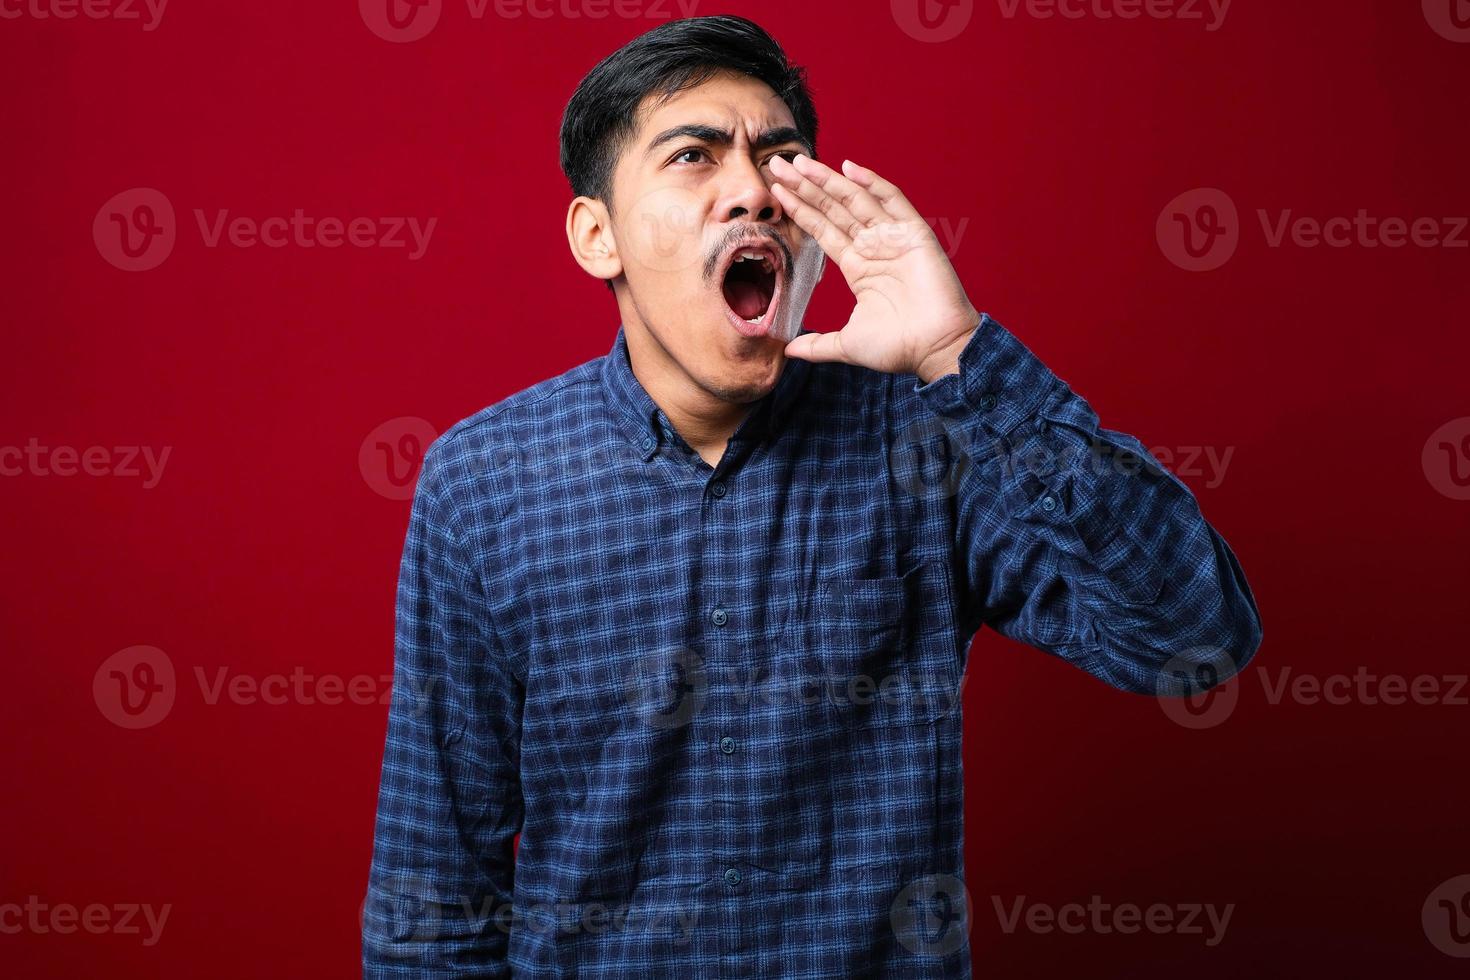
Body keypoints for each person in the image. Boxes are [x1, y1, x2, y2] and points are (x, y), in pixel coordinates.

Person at [363, 14, 1263, 978]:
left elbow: (1190, 639)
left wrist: (965, 358)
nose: (753, 189)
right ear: (598, 235)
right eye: (694, 156)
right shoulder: (485, 481)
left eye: (782, 158)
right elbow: (433, 894)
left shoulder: (928, 436)